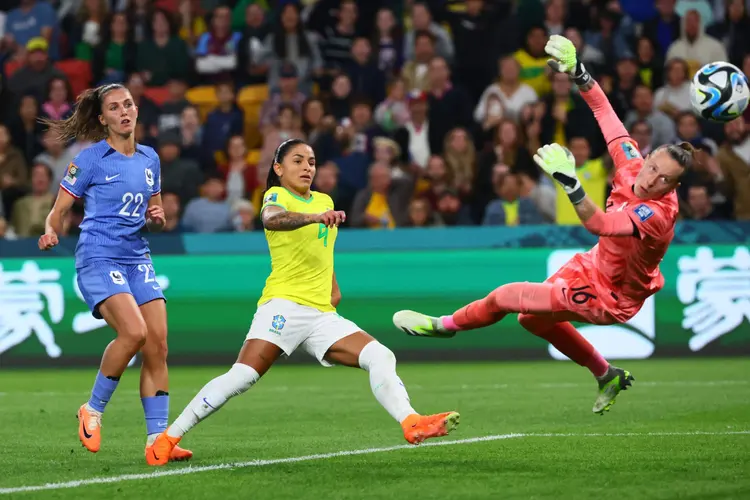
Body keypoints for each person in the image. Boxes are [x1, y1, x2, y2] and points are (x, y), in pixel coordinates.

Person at [393, 34, 695, 415]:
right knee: (530, 321)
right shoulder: (632, 162)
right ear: (646, 157)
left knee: (506, 296)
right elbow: (605, 113)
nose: (652, 180)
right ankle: (607, 374)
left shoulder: (658, 215)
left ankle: (443, 325)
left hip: (614, 295)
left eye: (664, 180)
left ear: (674, 186)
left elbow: (600, 223)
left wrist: (570, 182)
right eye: (653, 168)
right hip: (594, 265)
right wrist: (578, 71)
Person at [145, 138, 459, 466]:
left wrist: (332, 285)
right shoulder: (277, 196)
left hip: (320, 314)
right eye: (297, 161)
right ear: (278, 168)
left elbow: (323, 249)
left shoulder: (323, 199)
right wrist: (313, 218)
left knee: (379, 355)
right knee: (242, 376)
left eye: (311, 161)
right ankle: (167, 439)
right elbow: (271, 219)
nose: (307, 167)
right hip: (283, 306)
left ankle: (411, 423)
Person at [37, 83, 192, 462]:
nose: (124, 111)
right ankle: (92, 409)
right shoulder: (90, 159)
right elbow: (58, 209)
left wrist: (158, 219)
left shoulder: (150, 159)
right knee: (134, 332)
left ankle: (158, 441)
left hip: (137, 257)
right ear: (103, 118)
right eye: (114, 107)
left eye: (128, 104)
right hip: (98, 257)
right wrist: (51, 229)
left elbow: (155, 217)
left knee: (158, 344)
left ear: (136, 109)